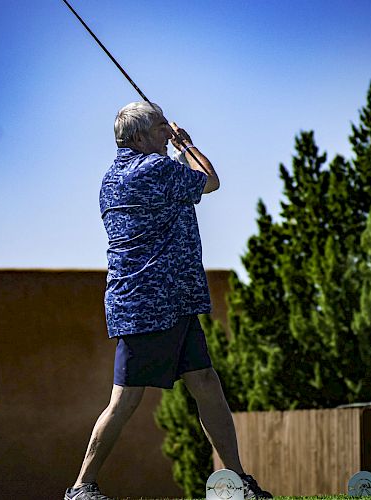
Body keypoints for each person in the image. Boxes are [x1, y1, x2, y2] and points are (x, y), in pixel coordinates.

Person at [65, 102, 272, 500]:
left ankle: (237, 480)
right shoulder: (154, 168)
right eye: (161, 128)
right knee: (125, 400)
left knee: (206, 383)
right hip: (152, 303)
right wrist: (186, 145)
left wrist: (173, 146)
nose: (167, 132)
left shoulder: (112, 177)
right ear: (139, 138)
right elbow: (209, 181)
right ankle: (81, 487)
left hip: (166, 300)